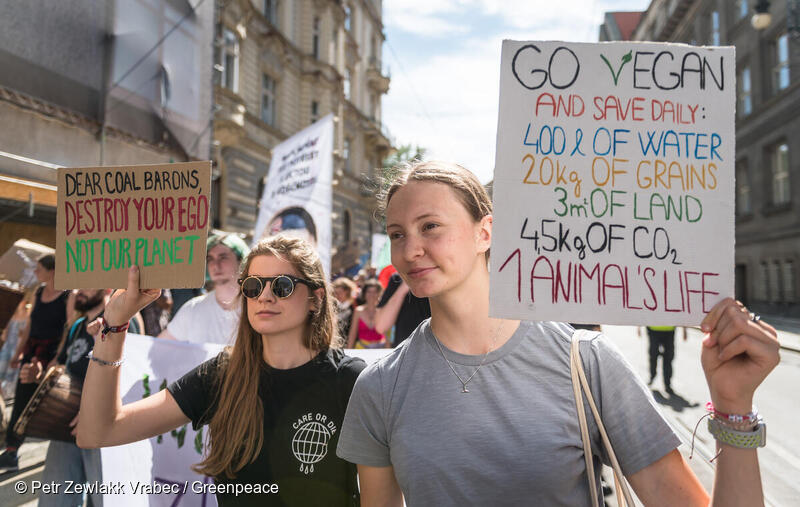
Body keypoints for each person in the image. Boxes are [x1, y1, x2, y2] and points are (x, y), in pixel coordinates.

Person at [336, 161, 780, 506]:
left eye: (430, 226)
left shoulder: (585, 362)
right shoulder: (380, 386)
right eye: (397, 233)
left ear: (485, 232)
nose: (410, 249)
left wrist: (733, 408)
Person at [77, 236, 366, 506]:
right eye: (253, 286)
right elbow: (99, 432)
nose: (264, 296)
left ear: (315, 298)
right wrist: (114, 325)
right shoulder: (222, 375)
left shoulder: (350, 380)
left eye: (282, 285)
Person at [37, 287, 132, 507]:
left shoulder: (123, 321)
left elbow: (131, 375)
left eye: (88, 285)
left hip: (102, 428)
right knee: (55, 497)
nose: (79, 291)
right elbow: (63, 367)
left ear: (107, 287)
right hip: (66, 427)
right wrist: (39, 375)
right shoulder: (77, 326)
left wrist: (92, 410)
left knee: (105, 499)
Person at [0, 254, 69, 473]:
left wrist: (58, 357)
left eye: (39, 269)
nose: (36, 273)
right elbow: (29, 325)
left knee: (48, 405)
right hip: (32, 353)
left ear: (53, 271)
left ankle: (54, 452)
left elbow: (67, 329)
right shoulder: (39, 292)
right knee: (21, 400)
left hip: (51, 356)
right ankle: (12, 450)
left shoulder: (68, 297)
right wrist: (19, 352)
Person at [159, 234, 249, 345]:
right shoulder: (193, 308)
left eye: (223, 257)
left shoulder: (256, 307)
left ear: (241, 261)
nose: (216, 265)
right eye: (210, 259)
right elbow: (159, 347)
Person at [374, 273, 430, 347]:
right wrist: (404, 286)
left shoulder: (444, 279)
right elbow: (381, 327)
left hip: (440, 353)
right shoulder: (397, 279)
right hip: (406, 353)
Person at [0, 291, 35, 399]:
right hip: (7, 348)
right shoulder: (13, 315)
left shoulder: (28, 315)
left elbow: (24, 336)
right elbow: (4, 337)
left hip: (16, 348)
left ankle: (5, 398)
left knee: (11, 376)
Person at [640, 325, 688, 395]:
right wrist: (639, 327)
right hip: (653, 330)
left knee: (668, 358)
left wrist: (684, 330)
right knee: (653, 356)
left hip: (669, 331)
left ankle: (667, 385)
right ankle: (652, 376)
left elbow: (682, 315)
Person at [347, 280, 388, 349]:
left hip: (381, 349)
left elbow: (387, 335)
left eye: (375, 292)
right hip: (361, 348)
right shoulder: (358, 311)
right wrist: (348, 351)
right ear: (364, 294)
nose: (372, 295)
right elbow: (352, 334)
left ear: (379, 293)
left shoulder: (383, 310)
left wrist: (388, 350)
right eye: (369, 292)